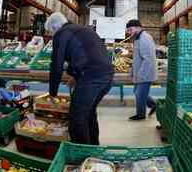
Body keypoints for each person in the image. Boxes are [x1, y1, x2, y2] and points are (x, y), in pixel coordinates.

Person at [45, 12, 114, 145]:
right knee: (88, 112)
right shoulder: (81, 29)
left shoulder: (61, 34)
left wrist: (52, 93)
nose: (52, 35)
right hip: (107, 76)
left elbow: (56, 65)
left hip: (92, 77)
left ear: (55, 28)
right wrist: (75, 76)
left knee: (76, 118)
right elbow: (82, 55)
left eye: (51, 32)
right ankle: (93, 148)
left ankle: (81, 155)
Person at [126, 19, 157, 121]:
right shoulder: (138, 38)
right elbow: (137, 57)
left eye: (130, 30)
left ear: (138, 28)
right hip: (140, 72)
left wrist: (140, 75)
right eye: (128, 30)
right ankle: (154, 105)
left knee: (139, 94)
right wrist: (132, 71)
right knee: (138, 92)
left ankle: (140, 115)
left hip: (145, 73)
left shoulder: (145, 38)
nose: (129, 33)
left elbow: (148, 59)